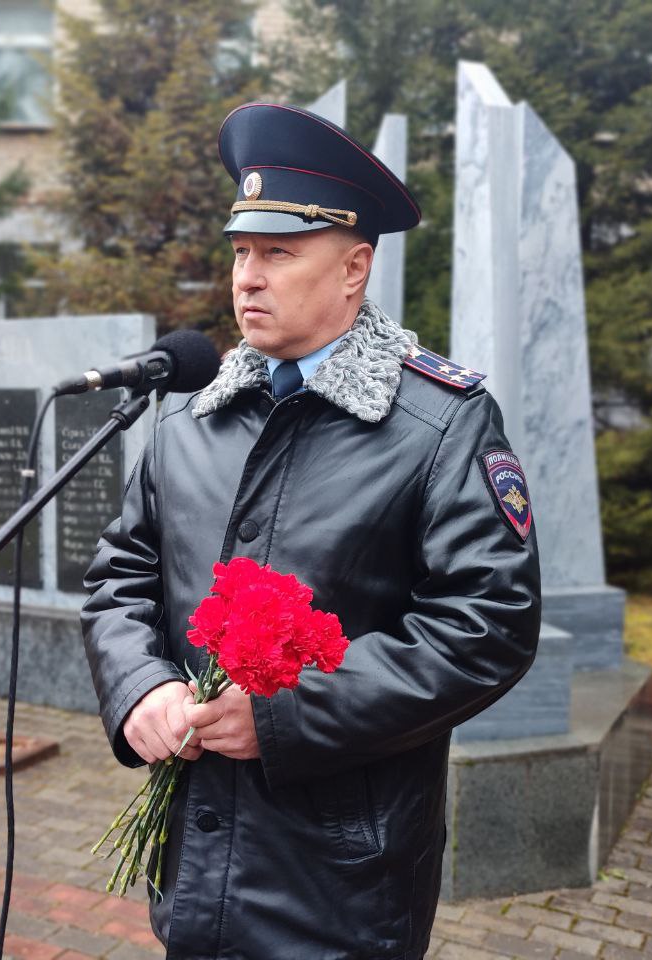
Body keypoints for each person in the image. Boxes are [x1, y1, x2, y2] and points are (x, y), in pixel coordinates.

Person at [81, 101, 541, 960]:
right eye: (241, 252)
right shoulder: (190, 416)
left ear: (354, 268)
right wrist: (139, 686)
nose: (248, 279)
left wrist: (286, 714)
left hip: (340, 880)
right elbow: (122, 574)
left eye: (279, 253)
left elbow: (487, 625)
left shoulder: (439, 423)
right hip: (197, 862)